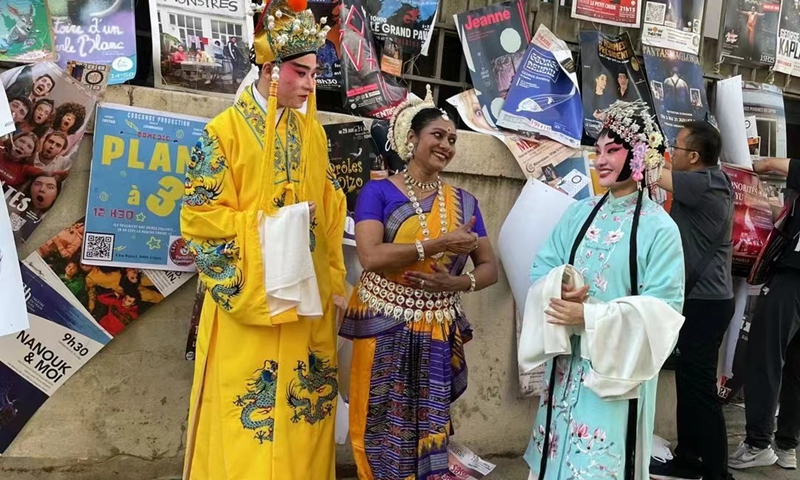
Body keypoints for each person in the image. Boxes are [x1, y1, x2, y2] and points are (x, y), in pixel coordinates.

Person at [179, 1, 346, 479]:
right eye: (301, 72)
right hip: (250, 304)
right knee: (244, 422)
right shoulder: (222, 135)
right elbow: (201, 220)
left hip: (304, 304)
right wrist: (279, 226)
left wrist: (331, 268)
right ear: (271, 70)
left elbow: (330, 209)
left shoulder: (312, 134)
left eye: (315, 73)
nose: (311, 84)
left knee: (302, 422)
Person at [520, 100, 686, 480]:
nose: (601, 161)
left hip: (616, 374)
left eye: (613, 150)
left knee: (598, 466)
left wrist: (591, 316)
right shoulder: (579, 213)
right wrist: (561, 286)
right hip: (566, 364)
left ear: (641, 155)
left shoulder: (660, 230)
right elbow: (543, 265)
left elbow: (663, 311)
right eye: (597, 151)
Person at [340, 88, 499, 480]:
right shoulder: (376, 192)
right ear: (412, 138)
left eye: (452, 139)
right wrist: (438, 244)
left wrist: (457, 283)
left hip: (435, 329)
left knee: (427, 422)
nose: (446, 144)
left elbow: (489, 268)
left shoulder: (465, 202)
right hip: (382, 322)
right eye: (438, 135)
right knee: (376, 416)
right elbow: (371, 256)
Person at [651, 122, 734, 480]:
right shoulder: (709, 181)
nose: (672, 151)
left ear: (695, 157)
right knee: (687, 380)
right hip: (702, 299)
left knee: (700, 388)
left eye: (677, 147)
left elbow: (653, 173)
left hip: (705, 302)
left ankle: (718, 473)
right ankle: (688, 458)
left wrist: (641, 145)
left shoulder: (703, 183)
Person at [728, 157, 800, 471]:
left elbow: (771, 165)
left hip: (792, 280)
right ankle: (787, 444)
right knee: (796, 367)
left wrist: (754, 165)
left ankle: (758, 442)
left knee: (765, 358)